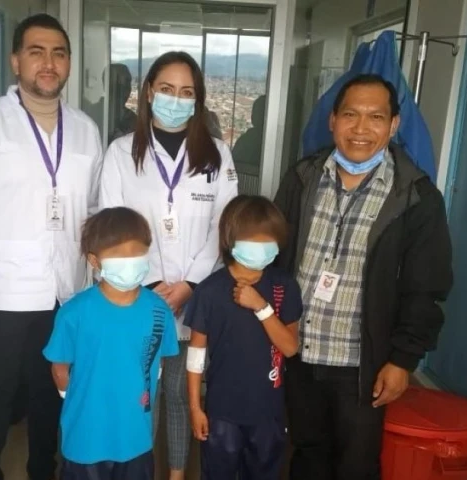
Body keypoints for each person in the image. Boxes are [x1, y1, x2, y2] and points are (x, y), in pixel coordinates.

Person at [0, 13, 103, 480]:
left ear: (69, 63)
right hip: (2, 293)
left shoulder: (85, 129)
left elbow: (92, 210)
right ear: (16, 61)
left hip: (65, 292)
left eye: (58, 53)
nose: (48, 63)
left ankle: (43, 471)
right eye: (36, 52)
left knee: (51, 394)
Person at [274, 73, 453, 480]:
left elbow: (426, 287)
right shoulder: (302, 179)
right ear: (333, 120)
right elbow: (275, 257)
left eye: (375, 117)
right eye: (351, 115)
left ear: (393, 126)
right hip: (298, 349)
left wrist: (403, 360)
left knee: (356, 465)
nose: (361, 128)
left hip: (362, 364)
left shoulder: (417, 197)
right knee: (306, 454)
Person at [99, 50, 239, 480]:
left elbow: (225, 225)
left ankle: (177, 475)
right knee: (142, 394)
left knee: (181, 393)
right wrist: (155, 282)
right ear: (148, 93)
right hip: (139, 294)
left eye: (186, 92)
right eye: (166, 89)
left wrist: (190, 285)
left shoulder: (217, 154)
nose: (175, 100)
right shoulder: (122, 153)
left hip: (195, 300)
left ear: (198, 101)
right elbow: (112, 223)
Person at [43, 206, 179, 480]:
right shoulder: (74, 313)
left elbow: (158, 362)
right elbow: (59, 370)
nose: (130, 261)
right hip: (85, 439)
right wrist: (80, 403)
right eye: (119, 255)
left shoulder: (159, 311)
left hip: (136, 439)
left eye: (137, 253)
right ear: (95, 261)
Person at [185, 195, 302, 480]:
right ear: (230, 240)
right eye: (253, 240)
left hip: (268, 413)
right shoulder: (209, 291)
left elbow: (289, 347)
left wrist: (261, 307)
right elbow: (196, 354)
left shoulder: (284, 286)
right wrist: (195, 407)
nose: (262, 248)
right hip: (222, 412)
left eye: (269, 240)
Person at [87, 63, 138, 143]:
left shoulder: (134, 121)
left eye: (128, 83)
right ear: (107, 85)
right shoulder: (90, 114)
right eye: (119, 84)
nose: (126, 89)